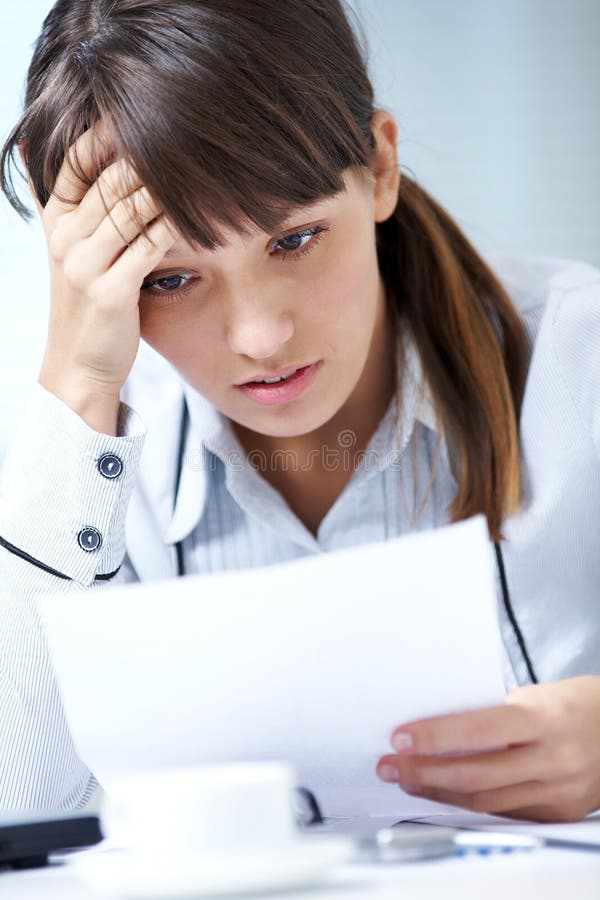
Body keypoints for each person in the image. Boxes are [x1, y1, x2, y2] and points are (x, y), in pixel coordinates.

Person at [0, 0, 599, 821]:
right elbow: (17, 809)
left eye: (296, 239)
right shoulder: (91, 464)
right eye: (170, 279)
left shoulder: (580, 357)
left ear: (381, 166)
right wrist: (74, 380)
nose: (261, 336)